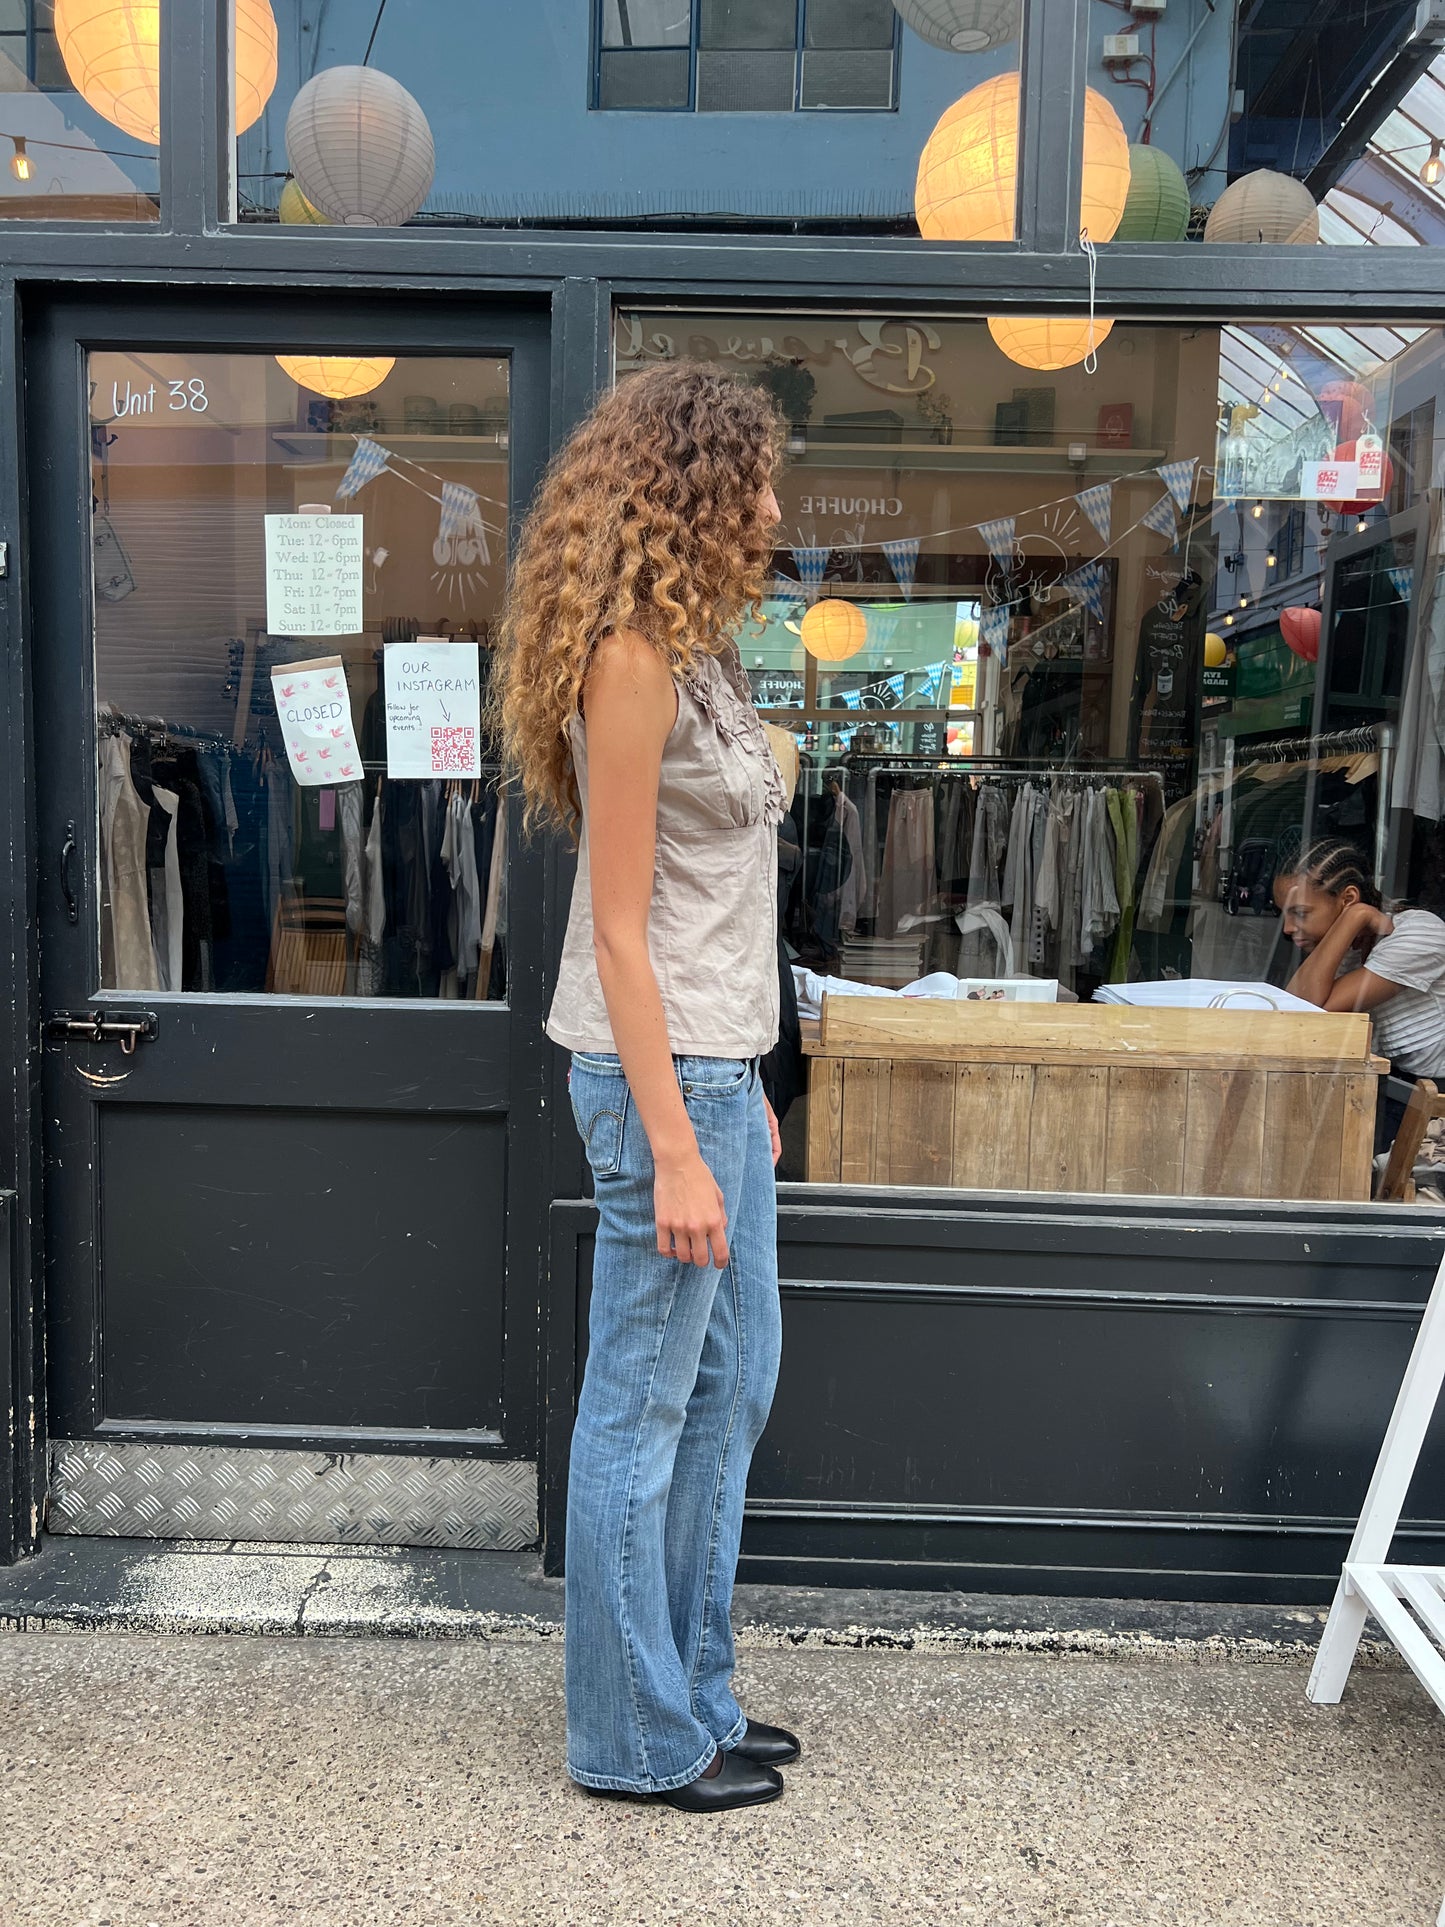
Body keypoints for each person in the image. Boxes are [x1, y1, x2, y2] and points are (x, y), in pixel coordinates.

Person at [491, 363, 798, 1813]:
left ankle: (696, 1687)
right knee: (643, 1407)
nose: (775, 507)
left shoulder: (706, 654)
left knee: (732, 1384)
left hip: (716, 1068)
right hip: (657, 1078)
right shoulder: (630, 659)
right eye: (754, 482)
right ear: (688, 492)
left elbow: (719, 886)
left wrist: (746, 1080)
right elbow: (617, 925)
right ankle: (629, 1733)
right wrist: (679, 1142)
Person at [1273, 836, 1445, 1135]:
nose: (1288, 929)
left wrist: (1355, 915)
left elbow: (1311, 1011)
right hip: (1391, 1090)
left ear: (1348, 898)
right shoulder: (1337, 946)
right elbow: (1294, 1012)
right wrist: (1353, 919)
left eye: (1299, 913)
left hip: (1435, 1102)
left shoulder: (1419, 933)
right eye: (1284, 914)